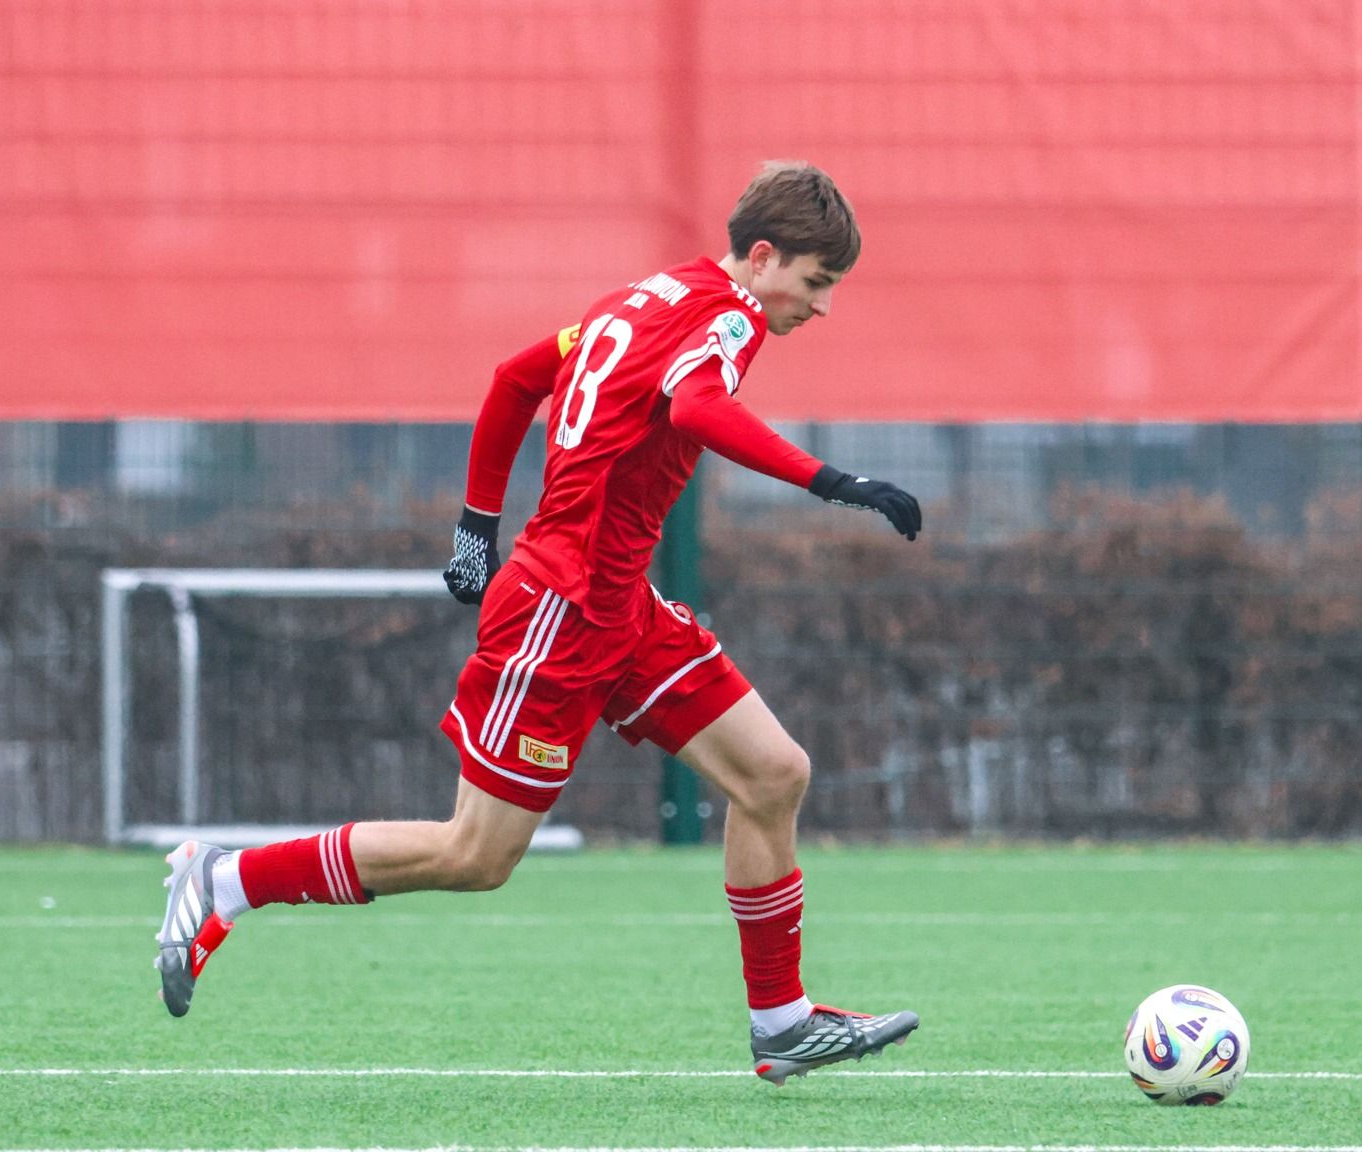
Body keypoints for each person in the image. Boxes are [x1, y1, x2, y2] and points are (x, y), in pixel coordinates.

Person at [155, 161, 923, 1084]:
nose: (821, 307)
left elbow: (517, 378)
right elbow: (699, 406)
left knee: (771, 774)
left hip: (618, 602)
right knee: (475, 854)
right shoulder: (729, 317)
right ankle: (227, 880)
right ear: (763, 258)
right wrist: (836, 482)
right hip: (561, 607)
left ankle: (782, 1022)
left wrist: (476, 525)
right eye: (815, 282)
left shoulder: (647, 295)